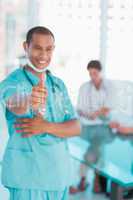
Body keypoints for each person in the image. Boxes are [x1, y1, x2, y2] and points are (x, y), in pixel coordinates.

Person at [0, 26, 81, 200]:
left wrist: (46, 126)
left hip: (59, 176)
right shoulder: (12, 81)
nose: (44, 55)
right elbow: (14, 103)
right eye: (37, 48)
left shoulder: (58, 84)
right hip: (29, 178)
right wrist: (30, 99)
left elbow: (75, 127)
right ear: (26, 46)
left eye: (48, 49)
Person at [69, 60, 113, 194]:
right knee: (95, 151)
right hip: (87, 126)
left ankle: (84, 181)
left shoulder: (109, 87)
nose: (92, 76)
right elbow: (80, 109)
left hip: (102, 127)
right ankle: (95, 183)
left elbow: (108, 109)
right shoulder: (84, 87)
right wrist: (88, 115)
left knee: (92, 151)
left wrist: (97, 113)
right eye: (90, 74)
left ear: (100, 72)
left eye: (95, 73)